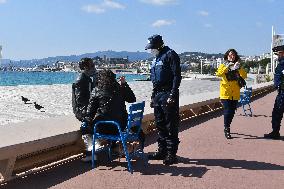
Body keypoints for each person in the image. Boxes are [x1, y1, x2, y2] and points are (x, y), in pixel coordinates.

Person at [83, 69, 145, 159]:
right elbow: (132, 99)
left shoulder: (97, 90)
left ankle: (91, 154)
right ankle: (117, 148)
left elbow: (90, 113)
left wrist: (85, 118)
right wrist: (124, 84)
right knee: (112, 117)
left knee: (85, 126)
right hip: (121, 126)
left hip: (105, 127)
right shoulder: (120, 88)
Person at [145, 34, 182, 165]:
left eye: (152, 47)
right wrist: (152, 97)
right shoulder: (156, 58)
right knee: (160, 124)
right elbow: (155, 81)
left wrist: (173, 94)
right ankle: (162, 151)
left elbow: (177, 76)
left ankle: (171, 154)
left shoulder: (170, 55)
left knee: (170, 124)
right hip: (158, 95)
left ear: (159, 45)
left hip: (168, 93)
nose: (151, 50)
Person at [216, 49, 247, 139]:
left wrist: (239, 68)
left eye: (233, 55)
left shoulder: (238, 66)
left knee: (232, 112)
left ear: (235, 56)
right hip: (225, 93)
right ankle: (227, 128)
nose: (231, 56)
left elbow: (244, 76)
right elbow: (218, 74)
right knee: (228, 110)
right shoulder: (223, 65)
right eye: (230, 55)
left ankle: (227, 126)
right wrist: (227, 67)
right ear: (227, 56)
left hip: (235, 93)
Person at [72, 57, 96, 162]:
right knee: (86, 128)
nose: (94, 68)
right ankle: (91, 154)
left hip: (88, 110)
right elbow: (80, 101)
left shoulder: (87, 79)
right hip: (83, 112)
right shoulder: (81, 80)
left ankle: (93, 152)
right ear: (86, 67)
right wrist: (87, 115)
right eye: (92, 66)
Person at [264, 43, 284, 139]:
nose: (278, 55)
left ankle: (275, 133)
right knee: (276, 113)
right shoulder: (281, 63)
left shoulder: (283, 64)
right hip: (281, 92)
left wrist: (279, 85)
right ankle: (275, 132)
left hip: (283, 93)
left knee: (277, 113)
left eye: (279, 53)